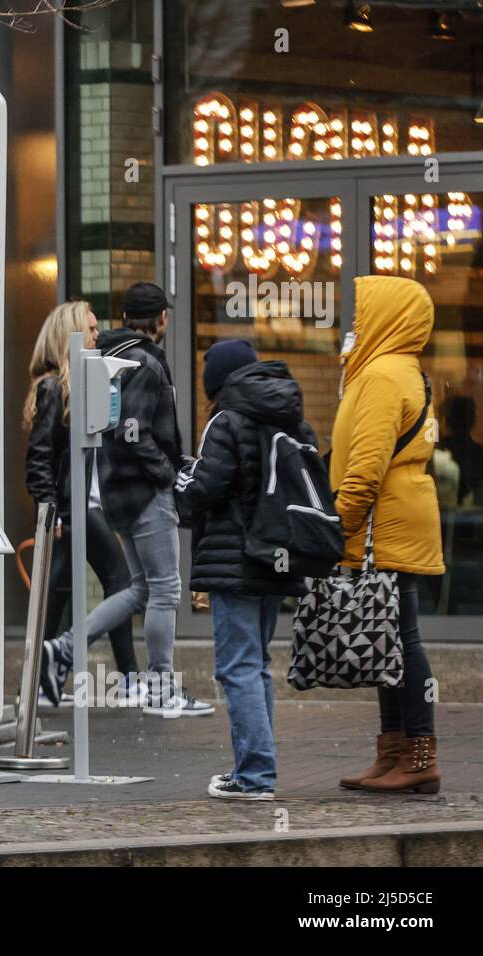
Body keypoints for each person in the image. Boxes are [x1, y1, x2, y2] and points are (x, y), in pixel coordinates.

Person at [40, 282, 213, 716]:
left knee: (140, 588)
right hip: (142, 491)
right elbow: (132, 431)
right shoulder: (145, 362)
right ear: (161, 319)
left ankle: (63, 647)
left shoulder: (110, 357)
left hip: (115, 489)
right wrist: (168, 474)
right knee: (167, 589)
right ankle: (160, 687)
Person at [175, 341, 314, 800]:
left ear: (216, 382)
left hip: (233, 560)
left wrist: (183, 482)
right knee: (255, 666)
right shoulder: (290, 417)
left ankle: (254, 776)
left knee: (238, 667)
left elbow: (208, 487)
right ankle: (254, 769)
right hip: (276, 556)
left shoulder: (226, 420)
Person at [332, 275, 444, 795]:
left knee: (401, 638)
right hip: (397, 521)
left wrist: (339, 525)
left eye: (363, 314)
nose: (355, 324)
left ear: (387, 318)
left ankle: (418, 754)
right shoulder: (400, 371)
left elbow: (367, 467)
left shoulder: (381, 376)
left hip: (385, 525)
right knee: (389, 636)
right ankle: (395, 752)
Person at [23, 301, 139, 700]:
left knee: (57, 592)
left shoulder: (77, 385)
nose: (98, 335)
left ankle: (40, 681)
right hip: (73, 509)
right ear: (69, 334)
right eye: (90, 329)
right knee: (122, 581)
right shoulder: (55, 388)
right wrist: (48, 509)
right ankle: (128, 679)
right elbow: (39, 458)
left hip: (79, 507)